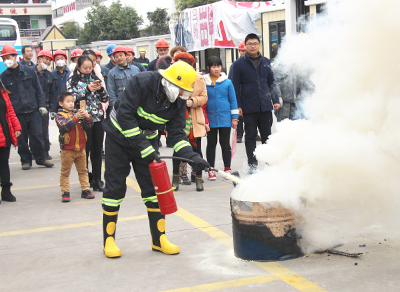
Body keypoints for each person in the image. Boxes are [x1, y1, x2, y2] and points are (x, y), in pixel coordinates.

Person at [101, 61, 210, 258]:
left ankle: (158, 239)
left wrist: (194, 157)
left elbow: (177, 135)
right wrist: (144, 147)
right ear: (169, 83)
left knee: (154, 190)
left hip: (147, 141)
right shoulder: (141, 82)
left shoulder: (177, 100)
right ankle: (109, 240)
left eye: (185, 92)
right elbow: (125, 116)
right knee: (115, 188)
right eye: (180, 90)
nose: (181, 96)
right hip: (118, 138)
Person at [231, 33, 281, 174]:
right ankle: (252, 164)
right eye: (250, 44)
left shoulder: (265, 62)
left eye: (255, 43)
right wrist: (238, 105)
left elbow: (272, 82)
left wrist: (275, 100)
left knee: (267, 136)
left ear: (259, 44)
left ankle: (269, 162)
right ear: (245, 46)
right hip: (248, 106)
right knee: (250, 136)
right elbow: (236, 86)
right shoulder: (238, 64)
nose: (253, 46)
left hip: (265, 106)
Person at [0, 45, 53, 170]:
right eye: (4, 58)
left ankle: (40, 158)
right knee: (21, 139)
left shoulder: (29, 71)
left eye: (9, 57)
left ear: (16, 57)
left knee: (37, 135)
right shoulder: (3, 77)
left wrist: (41, 106)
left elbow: (38, 90)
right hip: (17, 112)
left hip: (33, 110)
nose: (7, 60)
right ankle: (25, 160)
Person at [67, 55, 108, 192]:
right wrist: (87, 90)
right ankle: (85, 181)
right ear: (78, 67)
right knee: (85, 151)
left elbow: (105, 98)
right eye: (85, 68)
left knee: (97, 151)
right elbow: (71, 99)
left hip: (97, 118)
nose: (88, 70)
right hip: (82, 119)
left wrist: (100, 89)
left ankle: (97, 180)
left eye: (90, 67)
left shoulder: (96, 78)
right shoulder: (72, 80)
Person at [170, 52, 208, 192]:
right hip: (177, 117)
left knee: (196, 149)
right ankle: (175, 178)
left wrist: (192, 102)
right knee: (177, 151)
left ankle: (198, 178)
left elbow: (204, 97)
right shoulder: (172, 78)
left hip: (193, 117)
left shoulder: (199, 78)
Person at [55, 92, 95, 203]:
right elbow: (64, 126)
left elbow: (89, 126)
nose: (71, 104)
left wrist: (87, 117)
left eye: (72, 101)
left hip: (81, 148)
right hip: (67, 149)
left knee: (83, 170)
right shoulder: (59, 115)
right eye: (68, 102)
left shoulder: (77, 113)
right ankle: (65, 191)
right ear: (61, 103)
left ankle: (85, 189)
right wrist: (75, 118)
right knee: (65, 172)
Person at [203, 56, 238, 180]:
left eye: (218, 66)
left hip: (225, 118)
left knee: (225, 144)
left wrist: (234, 118)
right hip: (210, 119)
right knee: (211, 144)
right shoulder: (203, 82)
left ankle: (227, 168)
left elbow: (233, 100)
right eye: (213, 66)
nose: (216, 69)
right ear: (208, 68)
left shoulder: (227, 82)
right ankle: (211, 169)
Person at [0, 80, 21, 203]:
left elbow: (10, 111)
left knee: (4, 162)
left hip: (5, 132)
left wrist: (16, 127)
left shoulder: (3, 91)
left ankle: (6, 191)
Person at [34, 49, 55, 160]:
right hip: (33, 107)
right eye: (46, 59)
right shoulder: (32, 72)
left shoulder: (49, 75)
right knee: (34, 133)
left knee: (44, 131)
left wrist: (52, 109)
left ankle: (45, 152)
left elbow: (52, 93)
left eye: (49, 60)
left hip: (45, 108)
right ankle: (35, 153)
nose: (47, 62)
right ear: (39, 59)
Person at [228, 41, 246, 143]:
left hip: (249, 94)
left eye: (244, 50)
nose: (243, 52)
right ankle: (239, 135)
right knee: (239, 115)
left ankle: (254, 133)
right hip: (239, 93)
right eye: (241, 50)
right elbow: (231, 80)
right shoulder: (236, 65)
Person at [50, 49, 71, 117]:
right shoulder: (52, 75)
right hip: (58, 106)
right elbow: (52, 92)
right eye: (57, 59)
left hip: (70, 104)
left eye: (61, 58)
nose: (60, 60)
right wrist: (53, 109)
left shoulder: (70, 73)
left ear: (65, 59)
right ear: (54, 61)